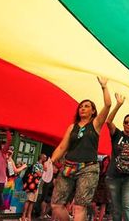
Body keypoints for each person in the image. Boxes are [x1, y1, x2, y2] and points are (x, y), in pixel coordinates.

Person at [50, 76, 112, 221]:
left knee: (79, 206)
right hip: (68, 168)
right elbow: (62, 147)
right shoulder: (72, 127)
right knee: (56, 205)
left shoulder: (96, 124)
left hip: (88, 169)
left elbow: (108, 105)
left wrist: (104, 87)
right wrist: (51, 161)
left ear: (93, 111)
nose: (82, 108)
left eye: (86, 106)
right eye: (81, 106)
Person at [105, 93, 129, 221]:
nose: (128, 124)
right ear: (123, 123)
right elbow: (108, 121)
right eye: (126, 122)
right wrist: (118, 105)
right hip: (114, 175)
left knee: (127, 206)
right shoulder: (117, 134)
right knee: (116, 208)